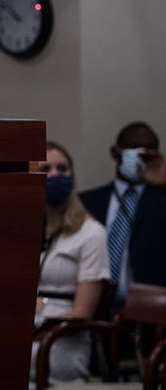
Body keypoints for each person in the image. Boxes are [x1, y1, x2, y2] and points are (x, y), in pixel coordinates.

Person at [31, 141, 108, 388]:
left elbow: (83, 312)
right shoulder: (29, 229)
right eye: (46, 169)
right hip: (26, 334)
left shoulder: (91, 233)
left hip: (60, 340)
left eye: (62, 169)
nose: (55, 175)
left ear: (72, 177)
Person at [79, 122, 166, 306]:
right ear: (115, 152)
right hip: (95, 309)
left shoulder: (161, 201)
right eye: (133, 148)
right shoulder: (87, 202)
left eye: (148, 151)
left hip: (149, 311)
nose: (140, 155)